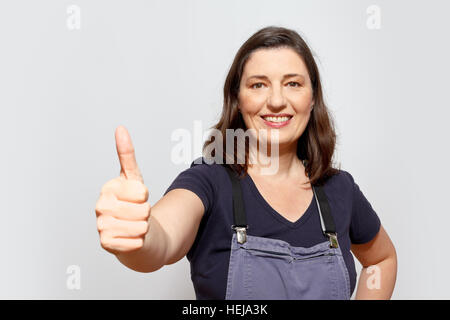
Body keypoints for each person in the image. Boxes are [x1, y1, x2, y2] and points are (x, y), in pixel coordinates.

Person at [94, 26, 397, 300]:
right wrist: (140, 235)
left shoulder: (339, 189)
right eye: (258, 85)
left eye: (293, 84)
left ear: (313, 97)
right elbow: (161, 243)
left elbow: (382, 259)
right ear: (237, 99)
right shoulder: (209, 180)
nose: (277, 100)